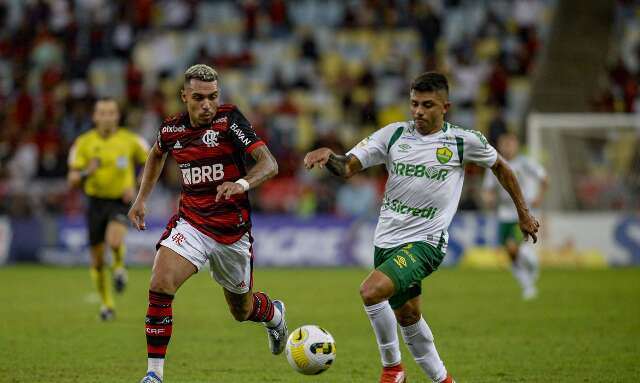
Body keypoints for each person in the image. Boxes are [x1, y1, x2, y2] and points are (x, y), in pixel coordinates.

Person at [304, 72, 539, 383]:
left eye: (428, 105)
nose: (418, 111)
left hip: (426, 243)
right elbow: (348, 166)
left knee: (371, 291)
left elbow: (502, 167)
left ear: (446, 107)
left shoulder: (462, 141)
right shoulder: (393, 135)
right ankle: (444, 380)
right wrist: (329, 157)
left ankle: (392, 370)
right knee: (410, 319)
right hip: (386, 240)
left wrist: (523, 212)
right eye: (414, 104)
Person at [128, 64, 286, 383]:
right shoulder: (172, 130)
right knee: (160, 284)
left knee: (241, 311)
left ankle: (274, 315)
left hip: (232, 233)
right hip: (192, 224)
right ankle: (153, 374)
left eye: (213, 97)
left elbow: (269, 164)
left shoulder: (230, 120)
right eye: (199, 98)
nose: (207, 105)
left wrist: (240, 184)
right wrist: (141, 198)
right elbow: (156, 154)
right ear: (184, 96)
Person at [67, 98, 149, 321]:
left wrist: (137, 186)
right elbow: (72, 178)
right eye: (101, 113)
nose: (106, 117)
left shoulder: (130, 140)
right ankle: (107, 305)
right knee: (96, 260)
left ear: (117, 116)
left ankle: (120, 267)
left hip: (120, 201)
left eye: (110, 112)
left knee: (114, 241)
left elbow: (153, 160)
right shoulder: (83, 143)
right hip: (95, 203)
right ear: (94, 117)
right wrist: (86, 172)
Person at [482, 131, 547, 300]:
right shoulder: (495, 165)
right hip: (503, 214)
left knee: (514, 248)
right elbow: (488, 189)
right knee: (511, 253)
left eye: (510, 144)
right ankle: (527, 285)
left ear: (516, 145)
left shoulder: (525, 163)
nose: (507, 147)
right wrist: (488, 198)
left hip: (522, 213)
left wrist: (539, 197)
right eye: (504, 144)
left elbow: (544, 178)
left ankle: (531, 269)